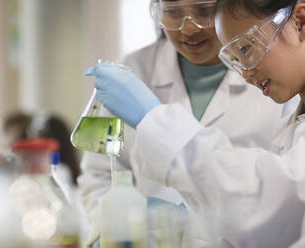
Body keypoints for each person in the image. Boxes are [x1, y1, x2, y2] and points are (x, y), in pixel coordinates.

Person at [78, 0, 299, 247]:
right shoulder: (131, 71)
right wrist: (116, 229)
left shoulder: (279, 80)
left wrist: (153, 120)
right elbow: (97, 175)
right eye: (173, 12)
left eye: (204, 11)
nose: (189, 28)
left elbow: (274, 200)